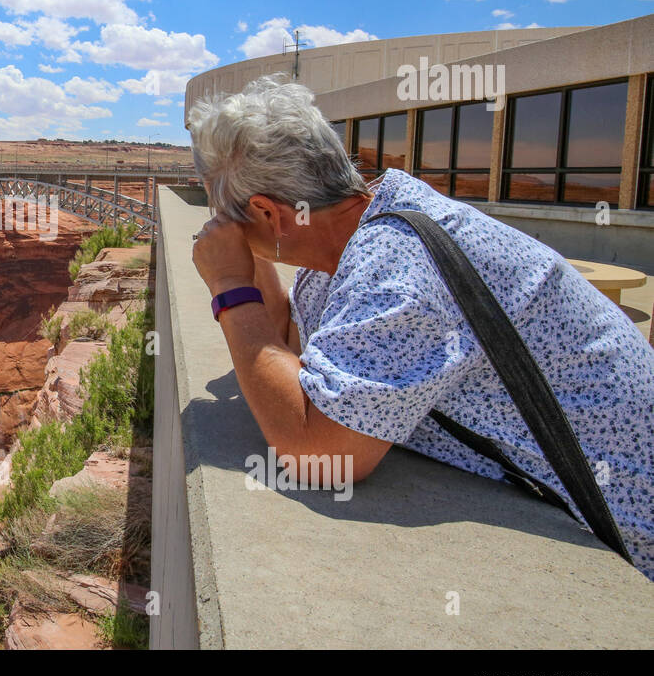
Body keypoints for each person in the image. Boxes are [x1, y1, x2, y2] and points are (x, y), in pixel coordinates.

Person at [187, 74, 654, 579]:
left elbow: (320, 456)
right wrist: (253, 267)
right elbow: (293, 357)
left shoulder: (396, 268)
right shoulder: (363, 232)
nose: (220, 229)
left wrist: (230, 286)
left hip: (621, 535)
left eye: (227, 218)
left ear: (266, 212)